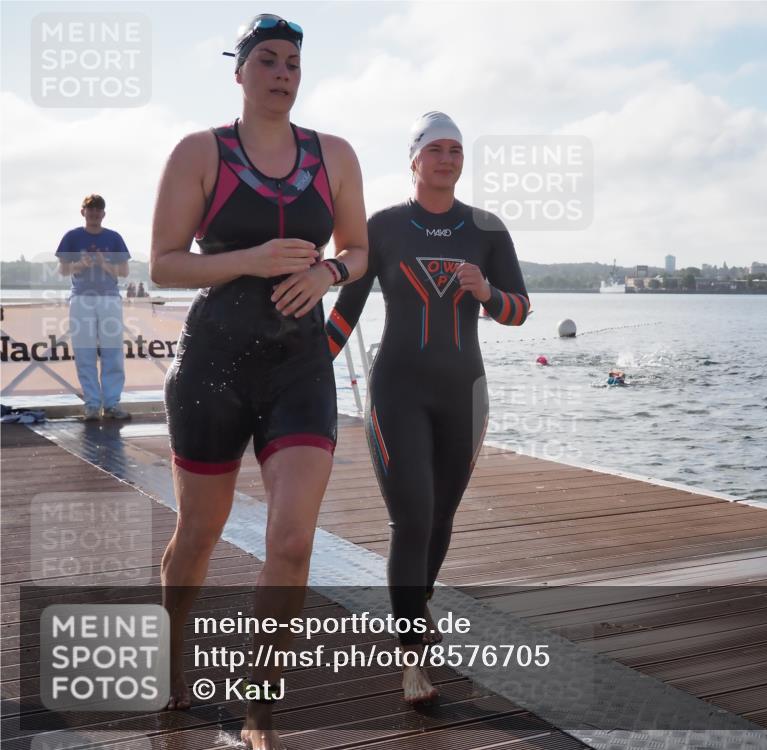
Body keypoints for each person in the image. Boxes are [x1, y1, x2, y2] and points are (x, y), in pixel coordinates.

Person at [149, 14, 368, 750]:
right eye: (268, 60)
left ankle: (259, 704)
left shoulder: (333, 154)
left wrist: (326, 271)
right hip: (213, 366)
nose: (283, 73)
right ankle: (173, 649)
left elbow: (359, 249)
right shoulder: (199, 151)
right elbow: (166, 264)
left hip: (300, 367)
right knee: (200, 533)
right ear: (238, 71)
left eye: (294, 63)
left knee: (293, 541)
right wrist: (251, 259)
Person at [329, 111, 530, 704]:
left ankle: (416, 604)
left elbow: (519, 310)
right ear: (414, 159)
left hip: (464, 392)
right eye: (435, 149)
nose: (446, 159)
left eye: (456, 150)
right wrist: (307, 367)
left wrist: (487, 293)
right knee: (411, 518)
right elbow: (347, 311)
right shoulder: (384, 226)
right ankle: (411, 658)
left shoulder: (486, 229)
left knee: (441, 519)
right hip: (398, 391)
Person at [55, 194, 131, 421]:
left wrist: (104, 264)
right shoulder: (72, 237)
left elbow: (125, 272)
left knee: (113, 352)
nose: (94, 214)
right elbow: (62, 270)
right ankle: (91, 405)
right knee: (84, 352)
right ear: (83, 212)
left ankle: (112, 404)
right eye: (90, 210)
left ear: (103, 214)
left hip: (109, 299)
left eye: (98, 210)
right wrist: (81, 264)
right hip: (81, 299)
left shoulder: (114, 238)